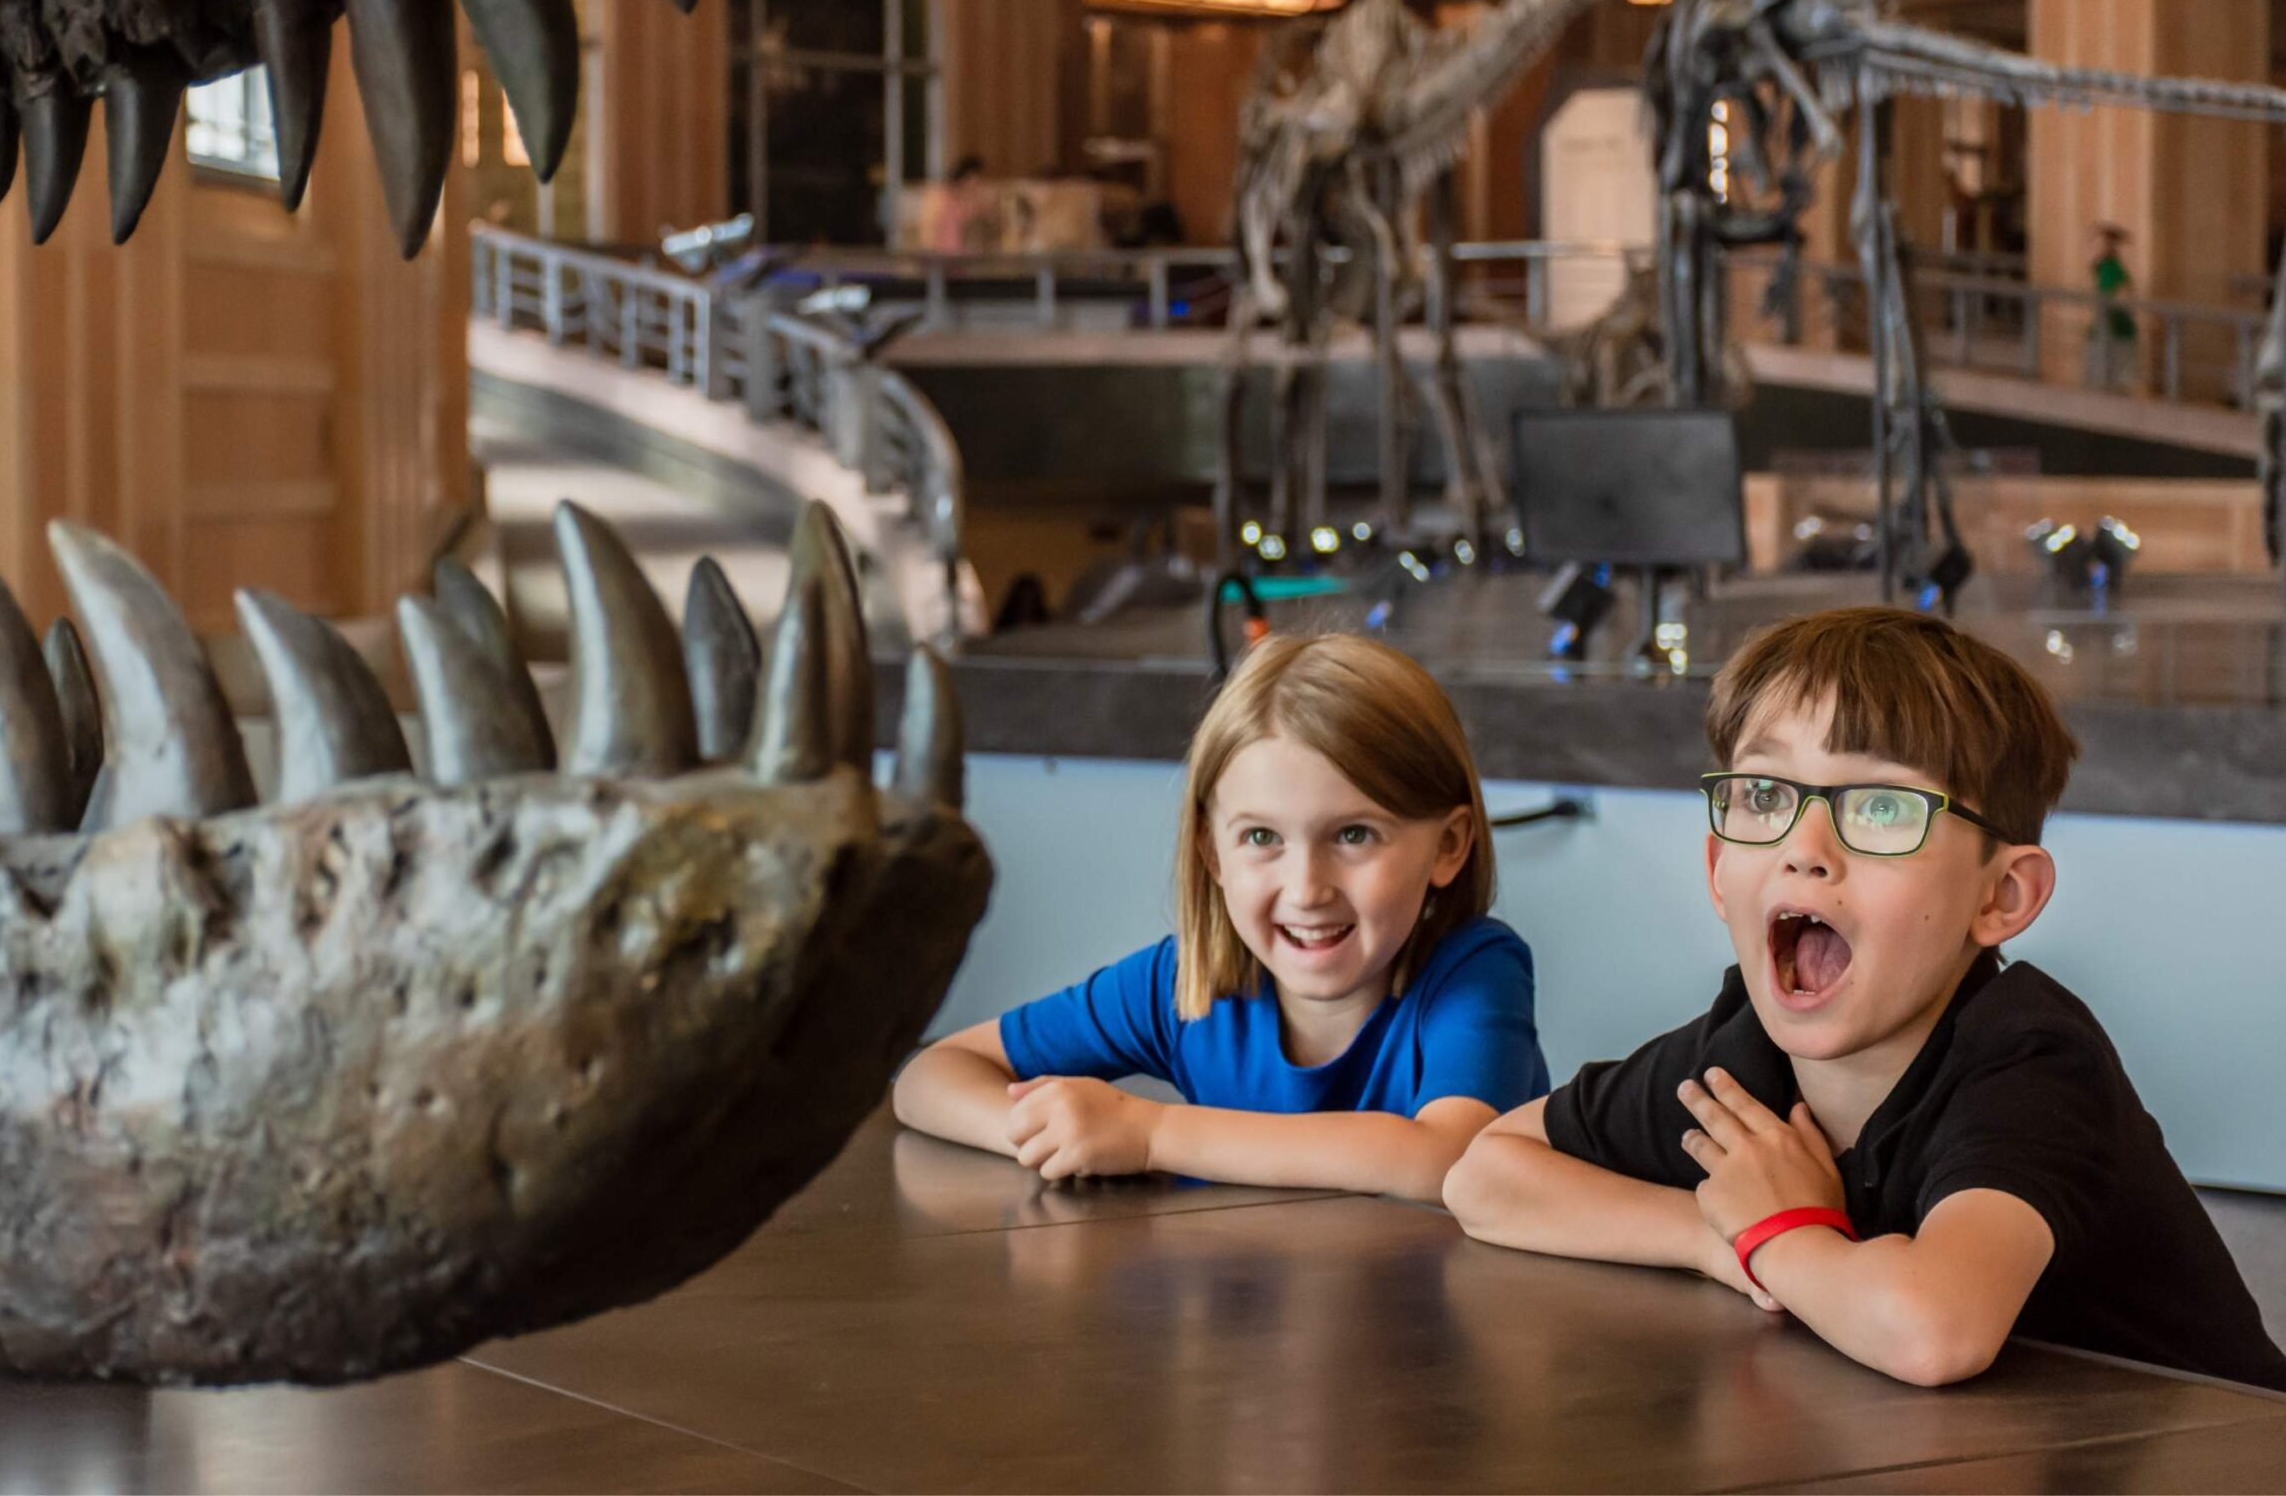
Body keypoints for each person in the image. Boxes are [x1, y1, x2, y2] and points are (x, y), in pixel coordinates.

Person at [1444, 607, 2286, 1392]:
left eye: (1882, 808)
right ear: (1715, 869)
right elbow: (1486, 1173)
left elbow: (1934, 1330)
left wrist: (1784, 1232)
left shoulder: (2031, 1062)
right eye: (1766, 796)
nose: (1804, 849)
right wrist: (1720, 1237)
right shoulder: (1739, 1059)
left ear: (2002, 897)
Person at [893, 632, 1547, 1203]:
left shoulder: (1476, 969)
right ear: (1212, 850)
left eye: (1354, 834)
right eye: (1262, 837)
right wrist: (1056, 1135)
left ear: (1449, 845)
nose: (1306, 888)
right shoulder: (1180, 983)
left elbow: (1445, 1158)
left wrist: (1150, 1132)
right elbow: (928, 1076)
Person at [2089, 221, 2139, 391]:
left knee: (2114, 382)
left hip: (2116, 330)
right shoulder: (2105, 268)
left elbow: (2117, 299)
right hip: (2110, 329)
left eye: (2100, 244)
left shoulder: (2112, 269)